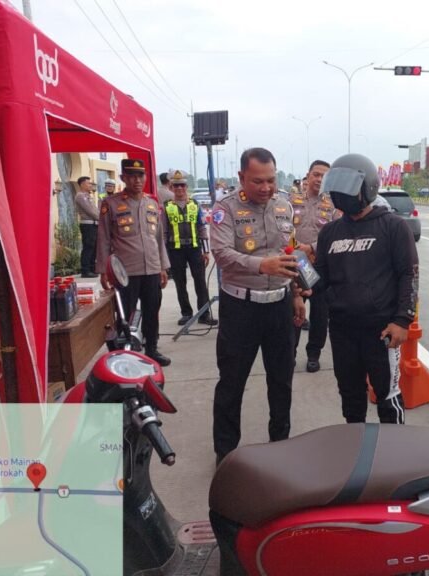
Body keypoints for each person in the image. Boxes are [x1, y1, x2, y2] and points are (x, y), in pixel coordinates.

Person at [210, 147, 306, 463]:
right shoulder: (225, 209)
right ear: (241, 177)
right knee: (232, 383)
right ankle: (226, 454)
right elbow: (221, 253)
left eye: (271, 180)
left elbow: (289, 253)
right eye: (257, 181)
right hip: (241, 308)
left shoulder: (283, 206)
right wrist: (261, 265)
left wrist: (296, 294)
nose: (266, 188)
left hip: (279, 306)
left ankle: (280, 444)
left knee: (281, 380)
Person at [314, 153, 418, 425]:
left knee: (387, 396)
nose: (340, 195)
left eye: (347, 188)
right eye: (336, 188)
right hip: (342, 330)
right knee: (350, 397)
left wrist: (402, 320)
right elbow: (321, 280)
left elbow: (409, 274)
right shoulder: (329, 232)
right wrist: (301, 278)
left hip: (382, 330)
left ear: (368, 187)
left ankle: (394, 448)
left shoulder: (393, 226)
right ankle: (356, 444)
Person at [96, 159, 171, 366]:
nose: (137, 180)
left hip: (152, 268)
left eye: (140, 176)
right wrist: (103, 270)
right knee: (125, 314)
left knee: (152, 311)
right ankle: (126, 353)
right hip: (125, 272)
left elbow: (158, 239)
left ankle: (152, 349)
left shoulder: (151, 203)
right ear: (123, 178)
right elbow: (103, 238)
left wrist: (163, 267)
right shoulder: (111, 204)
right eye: (132, 176)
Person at [291, 159, 337, 372]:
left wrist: (311, 247)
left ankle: (313, 354)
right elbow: (283, 228)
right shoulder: (291, 200)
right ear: (308, 175)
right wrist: (298, 249)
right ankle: (289, 353)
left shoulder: (334, 204)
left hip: (321, 266)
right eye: (316, 174)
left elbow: (336, 233)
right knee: (294, 312)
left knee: (320, 316)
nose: (319, 179)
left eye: (324, 176)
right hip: (296, 264)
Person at [163, 170, 218, 327]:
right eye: (176, 186)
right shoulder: (167, 206)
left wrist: (206, 251)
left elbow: (202, 228)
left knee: (200, 282)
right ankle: (186, 313)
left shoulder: (194, 205)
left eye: (182, 185)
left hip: (194, 249)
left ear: (186, 187)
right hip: (175, 250)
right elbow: (164, 233)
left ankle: (204, 314)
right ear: (172, 188)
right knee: (180, 283)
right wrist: (164, 257)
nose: (179, 188)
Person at [75, 176, 99, 278]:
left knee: (94, 247)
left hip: (94, 224)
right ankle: (85, 270)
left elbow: (95, 210)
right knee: (88, 247)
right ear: (82, 184)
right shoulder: (80, 196)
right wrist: (101, 218)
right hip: (87, 224)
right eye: (88, 183)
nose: (90, 185)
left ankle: (92, 268)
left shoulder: (88, 195)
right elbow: (90, 211)